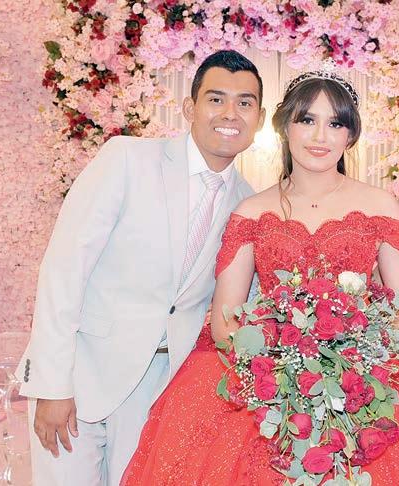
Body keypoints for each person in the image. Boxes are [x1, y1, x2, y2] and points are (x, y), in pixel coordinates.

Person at [121, 70, 399, 485]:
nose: (320, 136)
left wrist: (350, 366)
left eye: (335, 123)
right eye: (307, 120)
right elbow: (225, 322)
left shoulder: (380, 205)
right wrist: (281, 371)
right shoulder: (252, 212)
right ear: (284, 127)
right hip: (267, 376)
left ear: (350, 135)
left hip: (369, 372)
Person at [16, 50, 266, 486]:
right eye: (216, 99)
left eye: (245, 103)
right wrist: (52, 384)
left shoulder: (250, 204)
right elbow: (65, 268)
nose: (231, 113)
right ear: (189, 107)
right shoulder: (127, 160)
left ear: (259, 119)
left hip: (163, 391)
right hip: (83, 373)